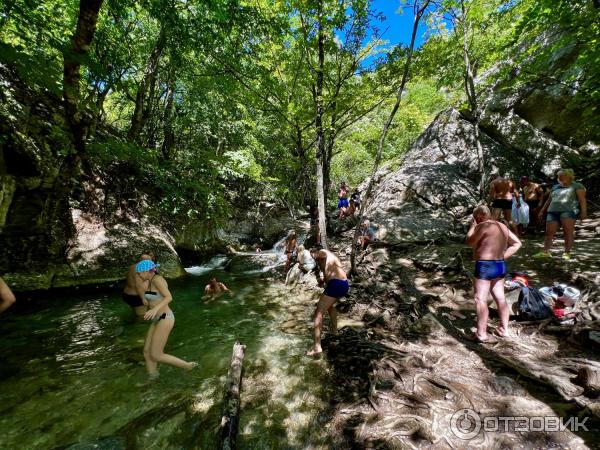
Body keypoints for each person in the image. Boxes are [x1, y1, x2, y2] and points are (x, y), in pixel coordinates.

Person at [466, 205, 522, 342]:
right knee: (500, 297)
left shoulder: (482, 225)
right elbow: (517, 243)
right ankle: (504, 330)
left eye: (475, 218)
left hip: (485, 265)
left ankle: (481, 334)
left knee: (480, 299)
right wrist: (503, 256)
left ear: (478, 217)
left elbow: (469, 242)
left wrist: (472, 227)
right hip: (499, 265)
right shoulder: (502, 226)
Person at [136, 259, 196, 377]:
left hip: (165, 317)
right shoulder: (149, 281)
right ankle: (153, 379)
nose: (138, 275)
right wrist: (146, 301)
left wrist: (154, 309)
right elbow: (155, 296)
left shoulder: (158, 280)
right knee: (147, 352)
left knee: (156, 355)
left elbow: (169, 297)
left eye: (139, 273)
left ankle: (188, 366)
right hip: (157, 318)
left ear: (146, 271)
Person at [534, 169, 587, 260]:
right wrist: (542, 210)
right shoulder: (555, 187)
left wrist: (584, 212)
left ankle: (567, 252)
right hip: (552, 211)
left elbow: (582, 200)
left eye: (563, 175)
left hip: (568, 211)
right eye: (559, 176)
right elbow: (549, 200)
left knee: (567, 232)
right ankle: (545, 252)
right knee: (549, 232)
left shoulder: (577, 185)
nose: (561, 177)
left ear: (569, 176)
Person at [307, 246, 349, 356]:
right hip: (343, 284)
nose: (313, 258)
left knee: (318, 313)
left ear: (315, 251)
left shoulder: (323, 252)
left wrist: (315, 255)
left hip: (336, 284)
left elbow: (322, 254)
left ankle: (317, 347)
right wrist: (322, 281)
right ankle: (335, 331)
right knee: (330, 306)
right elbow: (327, 274)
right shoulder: (330, 258)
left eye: (312, 255)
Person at [122, 251, 155, 316]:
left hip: (127, 294)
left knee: (136, 313)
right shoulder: (140, 268)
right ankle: (138, 325)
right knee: (142, 317)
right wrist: (143, 298)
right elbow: (138, 285)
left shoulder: (132, 266)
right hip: (137, 296)